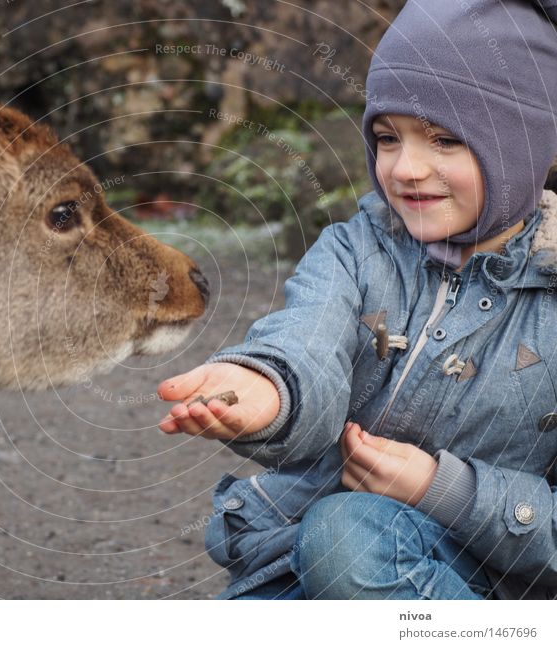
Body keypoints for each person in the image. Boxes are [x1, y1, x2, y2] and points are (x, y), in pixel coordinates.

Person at [157, 0, 557, 599]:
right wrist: (267, 391)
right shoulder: (355, 249)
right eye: (387, 137)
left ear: (526, 146)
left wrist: (440, 487)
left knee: (347, 535)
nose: (406, 168)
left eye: (445, 140)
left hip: (487, 589)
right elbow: (305, 339)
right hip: (302, 561)